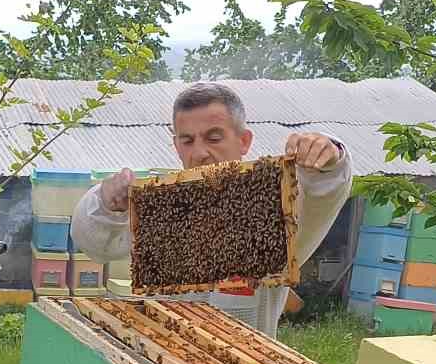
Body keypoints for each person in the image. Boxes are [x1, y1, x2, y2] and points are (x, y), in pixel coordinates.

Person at [70, 81, 352, 336]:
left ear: (244, 141)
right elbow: (96, 244)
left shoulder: (275, 205)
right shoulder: (163, 204)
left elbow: (322, 193)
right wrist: (106, 202)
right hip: (165, 360)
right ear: (176, 146)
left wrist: (328, 155)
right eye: (187, 140)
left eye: (214, 138)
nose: (200, 152)